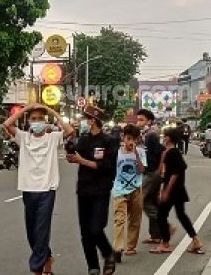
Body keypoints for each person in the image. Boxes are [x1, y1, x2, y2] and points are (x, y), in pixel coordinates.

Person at [4, 103, 73, 275]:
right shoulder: (23, 137)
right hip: (28, 189)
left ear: (45, 121)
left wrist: (51, 111)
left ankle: (37, 268)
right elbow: (7, 125)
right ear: (28, 121)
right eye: (33, 119)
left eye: (40, 119)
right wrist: (25, 110)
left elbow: (70, 131)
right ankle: (47, 257)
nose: (37, 122)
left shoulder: (53, 138)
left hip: (47, 189)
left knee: (42, 229)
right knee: (32, 231)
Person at [67, 105, 117, 275]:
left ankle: (108, 253)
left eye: (86, 119)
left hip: (101, 190)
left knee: (96, 228)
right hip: (84, 190)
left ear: (93, 120)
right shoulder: (84, 140)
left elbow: (108, 168)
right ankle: (93, 267)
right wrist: (71, 151)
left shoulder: (109, 141)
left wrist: (82, 161)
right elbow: (74, 155)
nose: (84, 122)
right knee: (85, 233)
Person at [150, 128, 204, 255]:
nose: (163, 137)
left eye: (165, 135)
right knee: (181, 215)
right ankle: (196, 240)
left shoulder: (173, 152)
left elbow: (176, 172)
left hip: (174, 189)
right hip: (176, 189)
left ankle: (165, 243)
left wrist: (167, 190)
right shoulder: (168, 152)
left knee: (161, 215)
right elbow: (163, 171)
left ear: (169, 138)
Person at [111, 124, 145, 263]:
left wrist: (136, 153)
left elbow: (142, 170)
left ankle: (130, 246)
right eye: (129, 138)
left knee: (135, 219)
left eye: (134, 139)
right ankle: (118, 248)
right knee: (119, 219)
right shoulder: (116, 152)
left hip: (136, 189)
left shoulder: (141, 152)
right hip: (120, 190)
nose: (131, 142)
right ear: (123, 137)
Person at [136, 109, 165, 244]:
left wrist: (160, 170)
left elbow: (162, 151)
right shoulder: (146, 134)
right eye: (138, 119)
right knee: (151, 201)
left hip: (152, 172)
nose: (139, 122)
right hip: (149, 171)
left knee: (140, 198)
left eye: (141, 120)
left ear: (149, 121)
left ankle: (164, 226)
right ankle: (156, 235)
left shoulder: (152, 135)